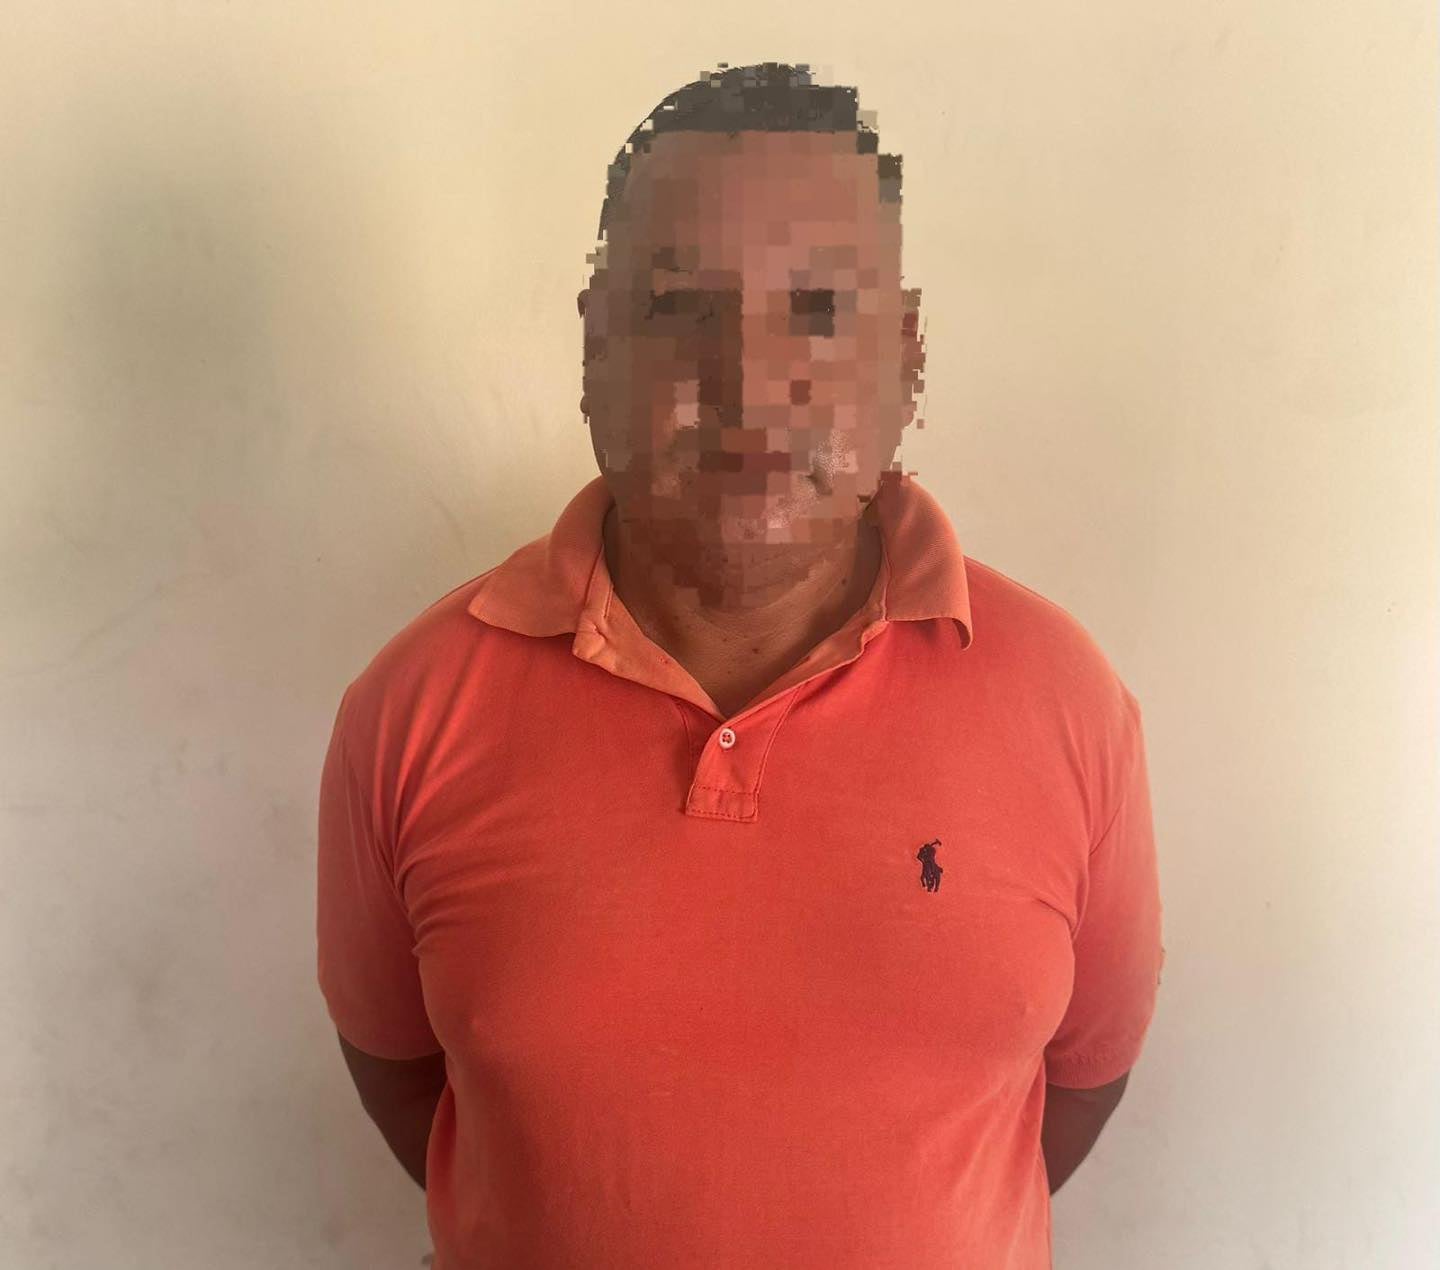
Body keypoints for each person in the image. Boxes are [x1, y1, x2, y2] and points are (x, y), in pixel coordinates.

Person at [317, 62, 1164, 1269]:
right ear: (596, 344)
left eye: (818, 307)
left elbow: (1076, 1084)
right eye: (680, 308)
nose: (751, 383)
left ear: (905, 357)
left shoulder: (1063, 700)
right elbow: (406, 1076)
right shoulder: (415, 708)